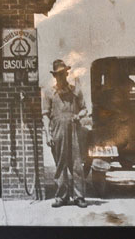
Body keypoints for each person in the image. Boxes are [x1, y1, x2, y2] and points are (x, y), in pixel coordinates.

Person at [42, 59, 89, 208]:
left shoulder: (75, 91)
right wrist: (48, 135)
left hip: (74, 131)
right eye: (58, 75)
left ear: (67, 73)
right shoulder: (49, 93)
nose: (61, 77)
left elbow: (84, 109)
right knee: (60, 165)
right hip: (57, 132)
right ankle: (62, 197)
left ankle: (79, 197)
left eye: (63, 74)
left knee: (76, 164)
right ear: (54, 76)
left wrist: (79, 116)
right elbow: (45, 115)